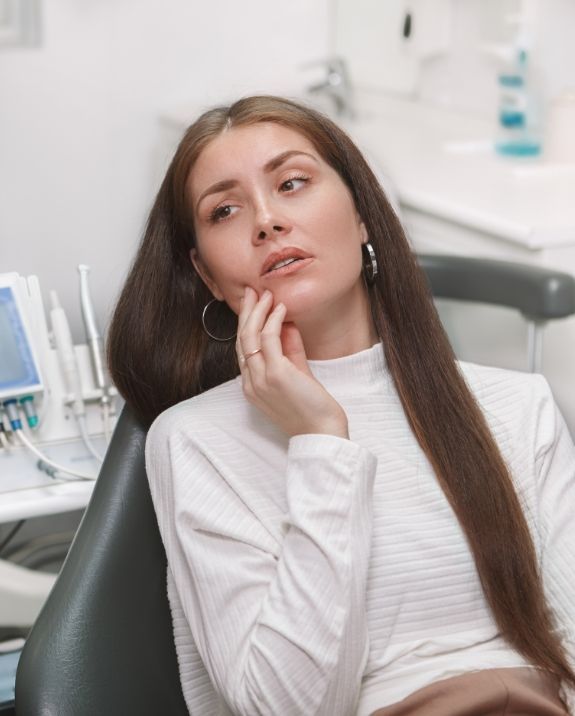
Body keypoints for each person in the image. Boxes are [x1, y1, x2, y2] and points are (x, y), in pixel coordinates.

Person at [107, 95, 575, 715]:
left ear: (361, 214)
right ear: (209, 276)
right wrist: (320, 440)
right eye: (225, 209)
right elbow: (289, 709)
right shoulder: (192, 441)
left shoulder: (518, 407)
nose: (267, 221)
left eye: (292, 183)